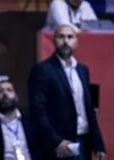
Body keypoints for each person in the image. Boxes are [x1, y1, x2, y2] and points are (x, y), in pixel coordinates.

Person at [27, 25, 106, 160]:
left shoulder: (82, 70)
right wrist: (56, 141)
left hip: (84, 141)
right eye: (61, 37)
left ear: (76, 42)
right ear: (54, 41)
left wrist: (98, 144)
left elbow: (89, 109)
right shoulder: (43, 69)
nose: (65, 41)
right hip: (60, 143)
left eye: (70, 37)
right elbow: (37, 110)